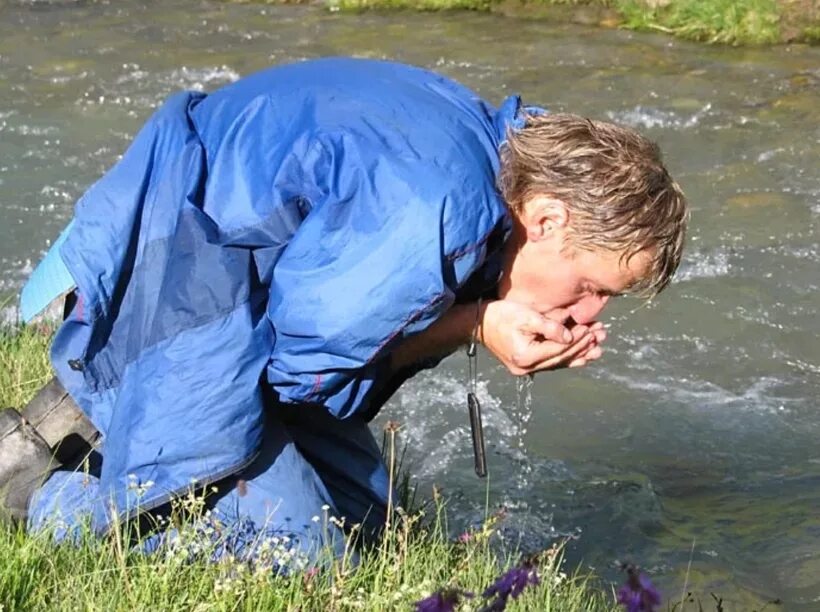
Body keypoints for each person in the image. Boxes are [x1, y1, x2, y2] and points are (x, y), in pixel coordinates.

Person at [2, 57, 687, 563]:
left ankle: (81, 424)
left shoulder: (495, 151)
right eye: (594, 286)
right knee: (307, 559)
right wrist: (472, 325)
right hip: (165, 280)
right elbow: (300, 374)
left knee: (372, 527)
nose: (591, 312)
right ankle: (40, 500)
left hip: (209, 259)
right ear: (546, 219)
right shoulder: (437, 212)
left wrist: (482, 312)